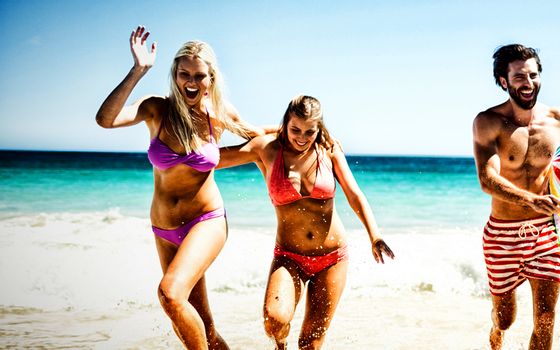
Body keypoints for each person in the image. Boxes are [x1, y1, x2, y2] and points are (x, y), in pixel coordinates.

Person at [94, 26, 265, 349]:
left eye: (199, 76)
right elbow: (106, 119)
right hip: (164, 228)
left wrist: (313, 134)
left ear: (211, 79)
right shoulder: (156, 108)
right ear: (174, 73)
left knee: (170, 295)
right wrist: (138, 71)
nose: (190, 82)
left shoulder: (219, 115)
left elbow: (257, 135)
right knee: (203, 330)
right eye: (184, 73)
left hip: (206, 221)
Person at [217, 95, 395, 349]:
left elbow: (355, 195)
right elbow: (214, 160)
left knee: (310, 344)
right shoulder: (267, 149)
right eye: (295, 129)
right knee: (274, 322)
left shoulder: (329, 150)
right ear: (285, 125)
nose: (302, 137)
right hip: (289, 256)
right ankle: (280, 345)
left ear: (319, 128)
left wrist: (374, 235)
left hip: (332, 258)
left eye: (310, 131)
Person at [472, 44, 560, 350]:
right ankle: (497, 331)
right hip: (502, 235)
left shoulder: (559, 119)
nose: (529, 82)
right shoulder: (489, 123)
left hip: (545, 232)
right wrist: (530, 200)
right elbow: (487, 179)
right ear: (503, 81)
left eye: (534, 75)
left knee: (546, 318)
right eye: (519, 76)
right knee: (506, 317)